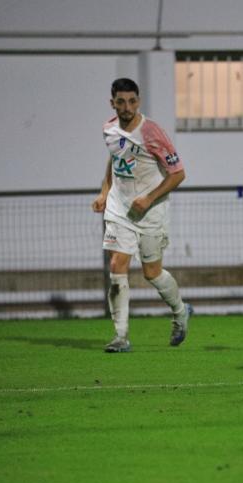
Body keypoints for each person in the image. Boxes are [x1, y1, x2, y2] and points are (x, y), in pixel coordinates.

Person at [91, 78, 192, 353]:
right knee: (117, 264)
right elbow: (114, 158)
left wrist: (148, 199)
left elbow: (178, 174)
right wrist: (104, 192)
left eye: (132, 101)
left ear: (138, 101)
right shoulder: (108, 129)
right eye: (121, 101)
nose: (127, 107)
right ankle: (120, 336)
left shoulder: (152, 133)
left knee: (152, 273)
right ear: (112, 102)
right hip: (120, 209)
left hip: (152, 211)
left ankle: (181, 311)